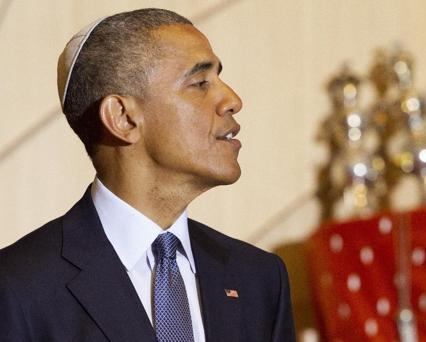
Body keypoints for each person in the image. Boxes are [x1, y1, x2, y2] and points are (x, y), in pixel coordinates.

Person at [0, 8, 295, 342]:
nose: (232, 100)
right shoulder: (18, 287)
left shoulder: (259, 279)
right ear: (123, 118)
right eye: (200, 83)